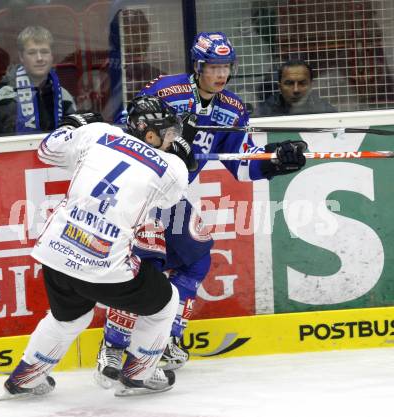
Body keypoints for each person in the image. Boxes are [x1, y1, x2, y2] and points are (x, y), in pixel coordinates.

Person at [96, 32, 308, 386]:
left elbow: (242, 164)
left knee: (196, 259)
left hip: (172, 195)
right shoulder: (166, 91)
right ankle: (113, 347)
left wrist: (276, 160)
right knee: (146, 267)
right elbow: (127, 131)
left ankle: (165, 340)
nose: (220, 74)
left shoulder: (233, 109)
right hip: (139, 190)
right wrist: (174, 140)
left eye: (225, 67)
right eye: (213, 67)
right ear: (198, 66)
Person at [0, 94, 198, 399]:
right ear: (149, 133)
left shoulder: (98, 134)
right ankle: (137, 375)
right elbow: (170, 195)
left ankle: (23, 379)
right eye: (168, 134)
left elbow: (47, 150)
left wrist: (72, 124)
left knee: (69, 318)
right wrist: (183, 156)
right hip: (102, 266)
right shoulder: (170, 166)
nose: (171, 140)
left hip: (56, 251)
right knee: (165, 303)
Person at [0, 26, 76, 135]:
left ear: (52, 56)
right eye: (32, 53)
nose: (39, 58)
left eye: (44, 52)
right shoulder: (1, 98)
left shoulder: (65, 98)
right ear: (21, 57)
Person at [255, 59, 336, 116]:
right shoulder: (265, 113)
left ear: (311, 86)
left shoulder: (324, 111)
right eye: (289, 83)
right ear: (280, 87)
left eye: (302, 83)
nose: (296, 90)